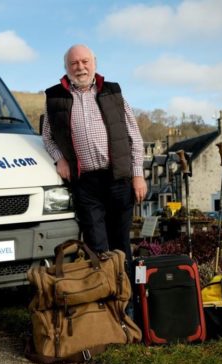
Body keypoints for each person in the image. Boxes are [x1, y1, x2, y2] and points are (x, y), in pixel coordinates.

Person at [42, 44, 147, 271]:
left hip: (118, 179)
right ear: (67, 67)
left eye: (85, 62)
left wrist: (138, 175)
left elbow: (135, 138)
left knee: (121, 246)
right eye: (74, 63)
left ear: (94, 63)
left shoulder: (113, 93)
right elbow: (48, 138)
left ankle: (126, 302)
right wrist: (59, 158)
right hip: (86, 185)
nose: (80, 67)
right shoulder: (54, 97)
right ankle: (103, 303)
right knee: (97, 247)